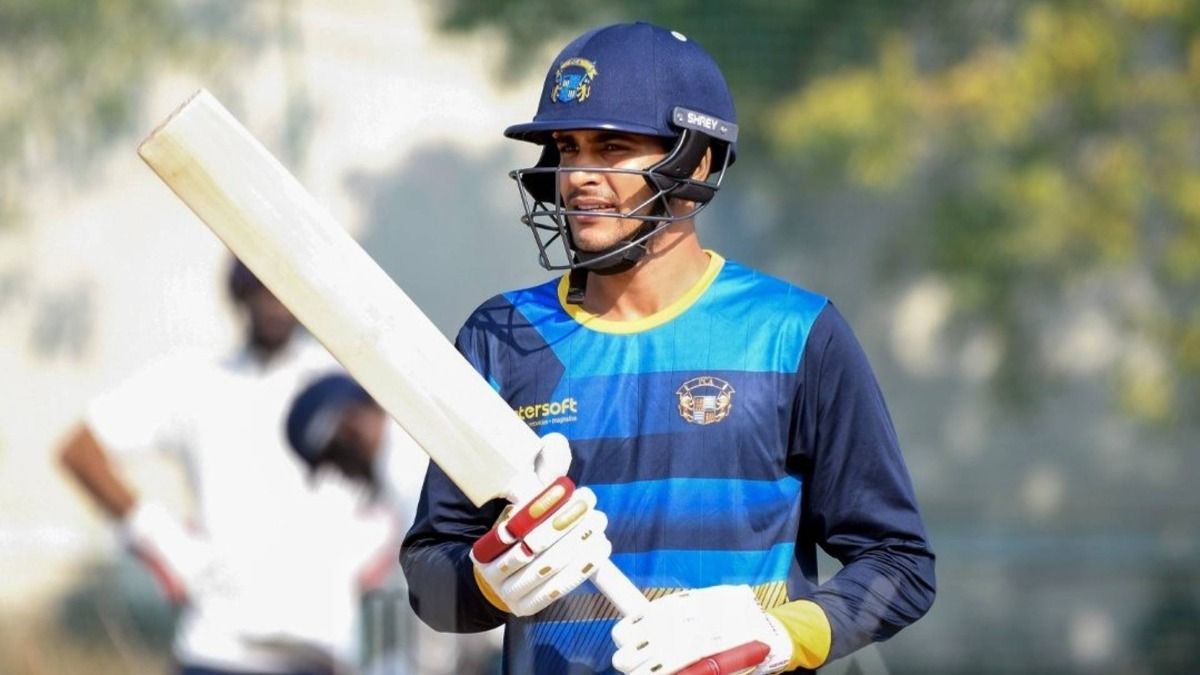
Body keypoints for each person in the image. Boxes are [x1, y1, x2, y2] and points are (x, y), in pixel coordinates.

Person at [400, 21, 936, 675]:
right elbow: (429, 574)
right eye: (567, 148)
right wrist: (489, 581)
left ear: (698, 160)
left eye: (612, 147)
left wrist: (776, 635)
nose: (577, 178)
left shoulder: (794, 333)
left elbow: (899, 564)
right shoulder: (501, 337)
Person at [58, 259, 387, 675]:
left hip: (316, 649)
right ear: (239, 294)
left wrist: (360, 553)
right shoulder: (197, 381)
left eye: (282, 291)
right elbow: (81, 450)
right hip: (216, 648)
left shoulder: (344, 383)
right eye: (260, 289)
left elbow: (398, 492)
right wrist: (165, 542)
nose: (273, 305)